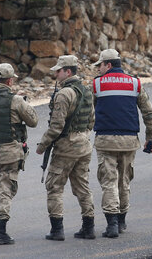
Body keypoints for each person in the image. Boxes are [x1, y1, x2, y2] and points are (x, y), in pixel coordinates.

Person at [91, 49, 152, 238]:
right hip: (130, 141)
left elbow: (89, 113)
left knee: (109, 181)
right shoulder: (135, 83)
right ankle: (122, 221)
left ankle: (111, 224)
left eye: (100, 65)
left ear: (108, 65)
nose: (98, 70)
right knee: (124, 180)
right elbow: (148, 112)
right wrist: (151, 138)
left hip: (105, 140)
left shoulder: (97, 85)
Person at [36, 55, 96, 241]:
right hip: (84, 144)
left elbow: (56, 127)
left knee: (54, 187)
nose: (55, 73)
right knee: (82, 186)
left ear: (68, 71)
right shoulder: (86, 91)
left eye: (58, 70)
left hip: (66, 146)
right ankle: (89, 228)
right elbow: (91, 120)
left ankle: (57, 229)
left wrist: (42, 145)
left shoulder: (64, 94)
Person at [0, 63, 38, 245]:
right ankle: (0, 230)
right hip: (10, 152)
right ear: (10, 80)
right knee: (6, 188)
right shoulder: (16, 100)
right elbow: (33, 121)